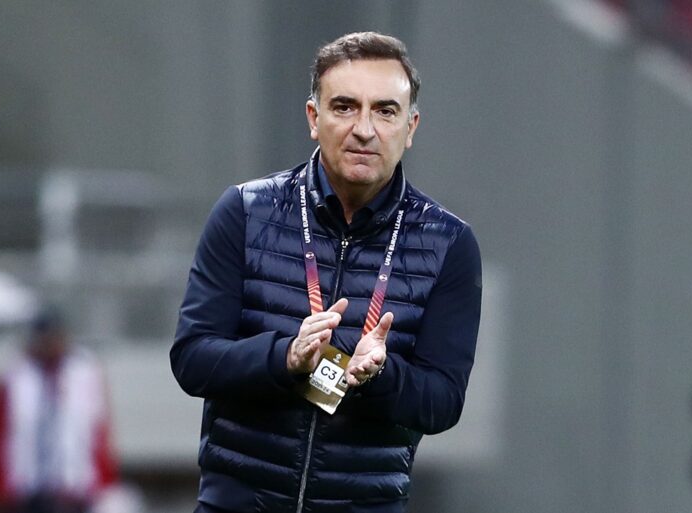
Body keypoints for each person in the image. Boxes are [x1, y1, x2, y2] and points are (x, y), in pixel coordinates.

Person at [171, 31, 482, 513]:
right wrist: (285, 358)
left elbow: (443, 402)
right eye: (344, 107)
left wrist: (380, 376)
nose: (364, 129)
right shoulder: (245, 212)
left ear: (411, 127)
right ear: (314, 118)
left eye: (385, 111)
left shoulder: (449, 243)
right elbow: (192, 358)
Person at [0, 308, 118, 513]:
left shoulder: (84, 372)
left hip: (74, 488)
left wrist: (103, 483)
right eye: (45, 338)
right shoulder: (13, 374)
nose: (50, 344)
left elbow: (99, 431)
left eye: (55, 337)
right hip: (25, 489)